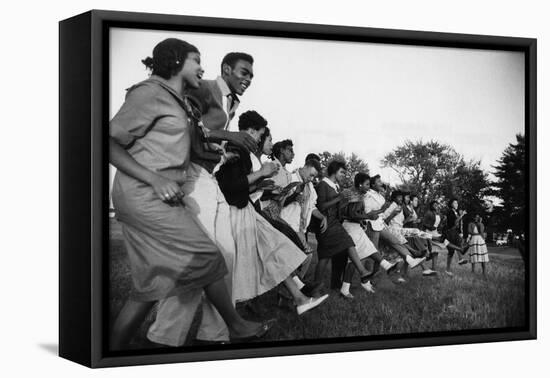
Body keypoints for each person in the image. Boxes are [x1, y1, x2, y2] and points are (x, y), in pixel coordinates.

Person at [109, 39, 271, 349]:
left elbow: (190, 139)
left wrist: (215, 153)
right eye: (196, 60)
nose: (202, 67)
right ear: (175, 61)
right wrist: (153, 179)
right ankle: (233, 326)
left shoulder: (177, 100)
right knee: (207, 256)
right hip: (147, 194)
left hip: (165, 193)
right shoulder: (151, 93)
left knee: (150, 287)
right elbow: (108, 140)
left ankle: (112, 355)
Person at [150, 51, 258, 346]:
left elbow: (207, 135)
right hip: (192, 177)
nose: (248, 79)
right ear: (226, 69)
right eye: (244, 72)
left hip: (210, 179)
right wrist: (229, 135)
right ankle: (164, 336)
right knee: (200, 258)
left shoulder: (230, 100)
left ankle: (215, 334)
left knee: (227, 255)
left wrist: (224, 151)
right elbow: (189, 124)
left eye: (251, 75)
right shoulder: (206, 87)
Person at [216, 110, 329, 314]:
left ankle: (299, 297)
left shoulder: (243, 153)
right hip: (238, 215)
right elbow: (230, 186)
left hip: (247, 213)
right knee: (249, 263)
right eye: (262, 135)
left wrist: (261, 184)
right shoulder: (238, 150)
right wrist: (261, 176)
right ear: (251, 131)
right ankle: (234, 314)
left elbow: (238, 186)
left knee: (273, 252)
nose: (262, 140)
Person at [314, 161, 380, 291]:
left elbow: (339, 208)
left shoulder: (336, 186)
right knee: (343, 246)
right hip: (326, 224)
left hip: (335, 223)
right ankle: (362, 272)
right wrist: (340, 198)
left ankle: (326, 286)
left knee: (327, 257)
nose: (344, 175)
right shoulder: (323, 185)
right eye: (342, 172)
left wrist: (347, 202)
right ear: (334, 171)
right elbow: (321, 206)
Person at [339, 173, 398, 299]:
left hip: (356, 226)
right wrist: (367, 216)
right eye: (366, 184)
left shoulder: (358, 194)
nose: (368, 187)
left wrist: (377, 212)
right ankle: (346, 289)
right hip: (349, 227)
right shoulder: (354, 195)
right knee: (357, 257)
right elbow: (352, 214)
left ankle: (387, 266)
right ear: (360, 184)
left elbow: (359, 214)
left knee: (369, 248)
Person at [363, 175, 426, 283]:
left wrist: (385, 213)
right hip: (372, 226)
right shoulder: (368, 195)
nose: (381, 183)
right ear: (373, 185)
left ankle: (411, 259)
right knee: (373, 253)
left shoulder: (381, 197)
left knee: (395, 241)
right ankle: (367, 280)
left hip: (381, 225)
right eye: (379, 181)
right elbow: (368, 213)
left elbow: (383, 214)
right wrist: (386, 212)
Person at [422, 200, 467, 276]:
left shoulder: (438, 214)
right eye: (434, 205)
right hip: (429, 233)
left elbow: (439, 223)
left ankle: (433, 269)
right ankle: (460, 249)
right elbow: (424, 223)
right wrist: (430, 227)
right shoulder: (428, 213)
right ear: (431, 206)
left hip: (435, 232)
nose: (436, 206)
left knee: (435, 252)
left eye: (437, 205)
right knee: (445, 242)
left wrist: (443, 222)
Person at [404, 193, 438, 275]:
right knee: (411, 253)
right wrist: (411, 220)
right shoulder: (406, 208)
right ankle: (427, 259)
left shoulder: (413, 210)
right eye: (415, 200)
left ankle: (404, 274)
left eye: (417, 200)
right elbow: (404, 222)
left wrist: (417, 221)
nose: (417, 202)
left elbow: (413, 221)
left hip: (413, 232)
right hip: (408, 233)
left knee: (409, 253)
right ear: (411, 201)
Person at [445, 199, 470, 272]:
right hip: (450, 232)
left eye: (457, 203)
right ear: (451, 204)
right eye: (455, 203)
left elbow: (458, 223)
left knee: (452, 250)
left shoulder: (455, 212)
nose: (457, 204)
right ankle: (460, 258)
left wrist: (460, 232)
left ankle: (448, 268)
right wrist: (462, 215)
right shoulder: (450, 212)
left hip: (455, 231)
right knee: (454, 248)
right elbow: (455, 222)